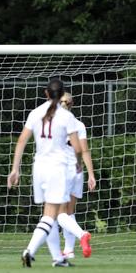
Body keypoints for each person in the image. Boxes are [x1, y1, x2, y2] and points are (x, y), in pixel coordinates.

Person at [7, 79, 92, 268]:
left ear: (46, 93)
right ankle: (29, 251)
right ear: (61, 93)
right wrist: (78, 165)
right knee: (51, 214)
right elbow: (78, 147)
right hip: (57, 168)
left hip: (39, 169)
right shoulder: (66, 117)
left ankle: (58, 258)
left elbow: (21, 141)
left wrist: (15, 169)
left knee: (49, 214)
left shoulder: (35, 113)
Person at [57, 92, 96, 259]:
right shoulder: (79, 124)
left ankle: (82, 235)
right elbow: (85, 151)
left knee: (57, 213)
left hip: (61, 169)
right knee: (69, 211)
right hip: (77, 171)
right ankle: (69, 250)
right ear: (72, 104)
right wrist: (91, 175)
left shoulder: (54, 124)